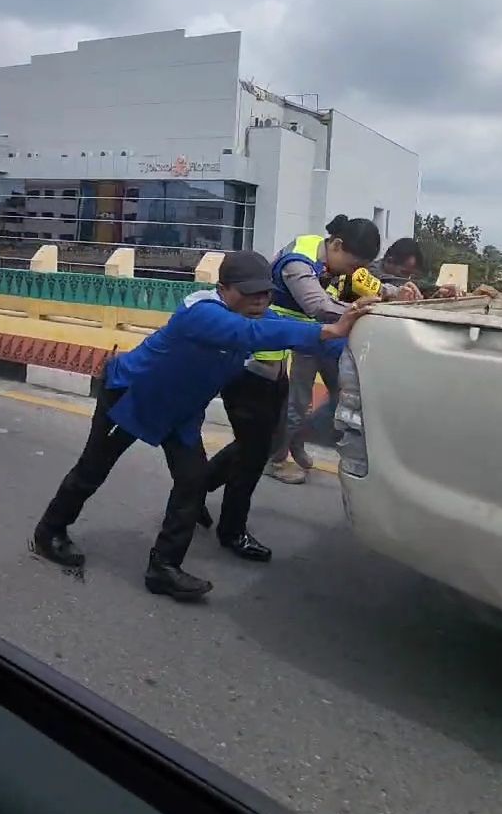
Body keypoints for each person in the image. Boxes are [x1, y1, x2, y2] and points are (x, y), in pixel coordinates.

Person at [33, 251, 372, 603]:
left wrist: (362, 326)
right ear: (223, 288)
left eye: (265, 293)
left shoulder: (256, 316)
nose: (260, 300)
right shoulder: (201, 313)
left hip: (182, 411)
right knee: (92, 470)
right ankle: (49, 531)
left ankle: (163, 567)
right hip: (132, 398)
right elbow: (254, 333)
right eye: (250, 292)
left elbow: (297, 334)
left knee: (192, 481)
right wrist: (331, 328)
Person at [201, 217, 416, 562]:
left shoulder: (331, 256)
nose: (355, 271)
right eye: (353, 263)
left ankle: (197, 490)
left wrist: (396, 294)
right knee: (255, 451)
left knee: (261, 442)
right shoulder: (299, 263)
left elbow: (368, 283)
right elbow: (319, 306)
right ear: (337, 246)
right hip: (252, 363)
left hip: (277, 357)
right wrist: (370, 310)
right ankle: (231, 530)